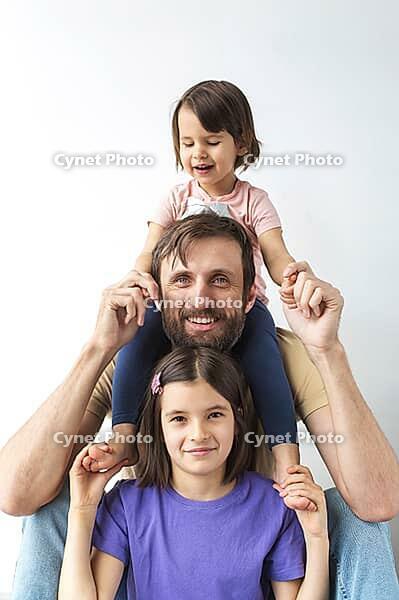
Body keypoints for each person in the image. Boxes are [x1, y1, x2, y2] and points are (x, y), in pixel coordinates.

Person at [1, 214, 399, 599]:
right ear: (157, 292)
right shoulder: (126, 359)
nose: (200, 298)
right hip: (143, 565)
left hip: (264, 564)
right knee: (52, 504)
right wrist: (97, 348)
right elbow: (14, 495)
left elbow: (379, 502)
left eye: (221, 280)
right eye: (182, 280)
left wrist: (328, 350)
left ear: (248, 298)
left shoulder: (283, 356)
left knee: (358, 519)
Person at [107, 79, 307, 484]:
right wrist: (137, 277)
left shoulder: (254, 201)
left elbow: (276, 253)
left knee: (265, 358)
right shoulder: (174, 199)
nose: (198, 153)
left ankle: (286, 454)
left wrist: (296, 277)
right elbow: (149, 250)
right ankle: (124, 434)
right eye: (187, 142)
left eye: (212, 141)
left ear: (242, 143)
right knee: (137, 340)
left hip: (238, 310)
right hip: (177, 308)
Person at [59, 346, 329, 600]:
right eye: (179, 419)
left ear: (236, 420)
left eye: (214, 415)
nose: (198, 434)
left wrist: (317, 538)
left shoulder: (273, 505)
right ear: (159, 428)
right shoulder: (128, 504)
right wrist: (82, 509)